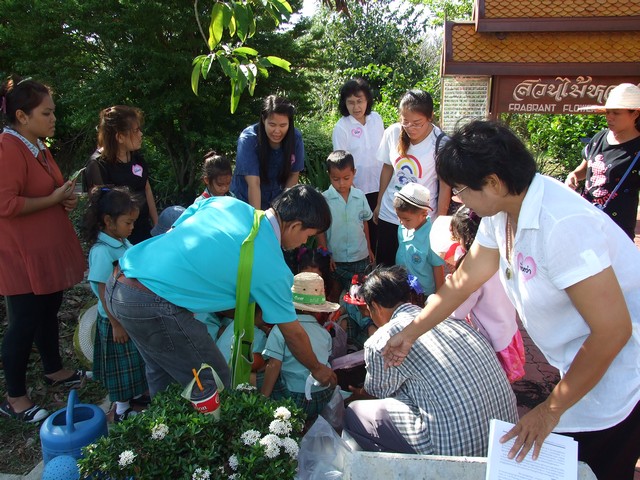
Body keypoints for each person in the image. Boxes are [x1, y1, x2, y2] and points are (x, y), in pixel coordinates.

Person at [383, 120, 640, 480]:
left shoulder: (562, 226)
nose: (458, 199)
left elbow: (613, 332)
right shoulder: (503, 210)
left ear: (493, 183)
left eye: (461, 190)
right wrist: (412, 331)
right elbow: (463, 282)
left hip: (623, 373)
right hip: (579, 363)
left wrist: (550, 410)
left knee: (597, 467)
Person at [105, 185, 337, 396]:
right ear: (295, 225)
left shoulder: (228, 204)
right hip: (152, 303)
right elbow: (293, 334)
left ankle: (160, 426)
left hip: (120, 281)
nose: (304, 243)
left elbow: (185, 220)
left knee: (164, 377)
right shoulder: (272, 267)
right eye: (308, 236)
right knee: (215, 384)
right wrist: (317, 368)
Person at [344, 265, 518, 456]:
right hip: (505, 441)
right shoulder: (453, 318)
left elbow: (375, 394)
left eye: (368, 310)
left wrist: (356, 395)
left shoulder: (382, 339)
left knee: (354, 412)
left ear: (375, 306)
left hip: (454, 452)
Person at [0, 75, 86, 423]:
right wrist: (53, 198)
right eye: (46, 113)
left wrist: (64, 199)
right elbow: (6, 203)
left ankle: (54, 369)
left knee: (48, 307)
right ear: (22, 116)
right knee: (23, 320)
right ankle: (14, 397)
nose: (53, 119)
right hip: (20, 253)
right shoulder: (8, 147)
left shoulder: (37, 145)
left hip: (44, 248)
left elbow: (47, 189)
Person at [82, 186, 148, 422]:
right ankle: (121, 408)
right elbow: (102, 289)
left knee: (133, 359)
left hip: (126, 313)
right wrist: (116, 324)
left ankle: (136, 394)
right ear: (109, 221)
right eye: (128, 223)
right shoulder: (102, 251)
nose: (132, 227)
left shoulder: (121, 241)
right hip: (114, 318)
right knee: (120, 365)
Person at [448, 206, 525, 383]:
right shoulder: (503, 255)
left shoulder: (473, 272)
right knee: (506, 381)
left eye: (458, 238)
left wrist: (451, 288)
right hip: (508, 329)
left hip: (490, 340)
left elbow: (457, 312)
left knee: (493, 381)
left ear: (468, 238)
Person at [373, 90, 450, 266]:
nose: (410, 128)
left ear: (430, 117)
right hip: (390, 214)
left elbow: (445, 186)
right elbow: (387, 168)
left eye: (417, 123)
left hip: (421, 220)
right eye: (405, 121)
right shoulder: (393, 133)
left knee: (417, 270)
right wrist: (379, 203)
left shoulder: (441, 142)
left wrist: (440, 222)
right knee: (385, 269)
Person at [565, 83, 640, 240]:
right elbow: (584, 168)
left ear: (635, 114)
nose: (609, 117)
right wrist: (573, 175)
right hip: (586, 221)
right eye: (608, 112)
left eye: (616, 113)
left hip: (617, 230)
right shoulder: (599, 138)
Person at [261, 272, 338, 419]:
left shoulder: (279, 330)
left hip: (294, 397)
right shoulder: (324, 333)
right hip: (323, 394)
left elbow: (274, 365)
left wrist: (262, 398)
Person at [84, 105, 159, 244]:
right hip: (118, 239)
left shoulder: (136, 158)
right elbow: (101, 209)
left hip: (144, 231)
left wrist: (156, 225)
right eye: (136, 131)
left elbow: (146, 189)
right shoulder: (98, 165)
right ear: (119, 137)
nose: (141, 134)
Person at [332, 78, 385, 254]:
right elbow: (340, 163)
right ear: (344, 103)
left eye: (360, 101)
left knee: (381, 234)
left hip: (381, 187)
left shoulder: (376, 119)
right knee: (363, 235)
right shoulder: (342, 127)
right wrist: (352, 191)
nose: (356, 107)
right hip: (357, 190)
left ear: (367, 100)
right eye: (351, 102)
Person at [230, 95, 304, 210]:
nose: (277, 131)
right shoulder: (248, 139)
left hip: (276, 200)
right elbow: (253, 183)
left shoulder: (296, 138)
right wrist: (258, 217)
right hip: (245, 202)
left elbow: (293, 175)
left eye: (283, 125)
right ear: (263, 120)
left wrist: (282, 210)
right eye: (272, 125)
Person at [318, 150, 374, 293]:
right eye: (336, 179)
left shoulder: (360, 196)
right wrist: (326, 255)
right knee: (334, 292)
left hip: (360, 256)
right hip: (335, 258)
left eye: (346, 178)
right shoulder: (324, 199)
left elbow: (365, 223)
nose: (341, 183)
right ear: (329, 175)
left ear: (354, 172)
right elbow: (320, 230)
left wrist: (368, 248)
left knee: (360, 293)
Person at [393, 182, 444, 297]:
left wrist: (439, 296)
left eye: (407, 219)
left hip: (424, 294)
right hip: (404, 289)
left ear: (424, 214)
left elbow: (437, 267)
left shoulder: (432, 236)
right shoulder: (402, 228)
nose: (402, 222)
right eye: (399, 218)